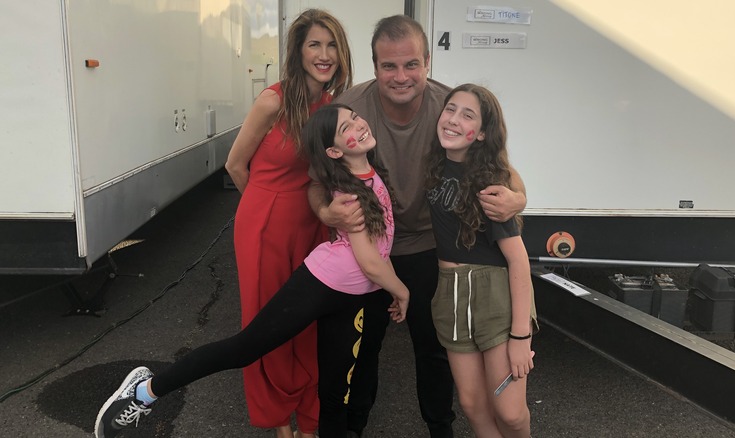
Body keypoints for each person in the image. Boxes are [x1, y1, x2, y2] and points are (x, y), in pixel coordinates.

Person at [94, 104, 410, 438]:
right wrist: (401, 290)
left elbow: (381, 248)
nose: (359, 126)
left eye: (357, 118)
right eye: (347, 126)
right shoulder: (351, 194)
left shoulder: (368, 175)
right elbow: (370, 261)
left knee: (335, 392)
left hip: (353, 295)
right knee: (244, 349)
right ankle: (144, 392)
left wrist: (388, 287)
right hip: (323, 284)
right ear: (334, 150)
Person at [308, 15, 527, 438]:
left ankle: (439, 428)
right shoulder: (350, 109)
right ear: (375, 67)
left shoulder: (449, 109)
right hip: (372, 249)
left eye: (411, 64)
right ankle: (355, 425)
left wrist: (518, 200)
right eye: (389, 66)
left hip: (432, 249)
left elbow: (504, 171)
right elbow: (315, 182)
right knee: (364, 347)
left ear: (427, 61)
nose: (401, 76)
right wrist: (325, 212)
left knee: (433, 351)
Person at [224, 9, 352, 438]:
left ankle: (311, 418)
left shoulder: (333, 105)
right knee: (268, 322)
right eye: (314, 44)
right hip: (266, 223)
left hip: (314, 224)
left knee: (310, 321)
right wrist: (265, 212)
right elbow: (235, 165)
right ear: (297, 51)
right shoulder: (272, 101)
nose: (324, 54)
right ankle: (280, 420)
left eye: (332, 44)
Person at [426, 83, 538, 437]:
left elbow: (518, 262)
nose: (454, 120)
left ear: (482, 133)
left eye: (467, 115)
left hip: (495, 299)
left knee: (509, 412)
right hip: (451, 295)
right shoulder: (436, 165)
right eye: (450, 109)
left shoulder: (492, 187)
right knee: (474, 406)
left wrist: (521, 337)